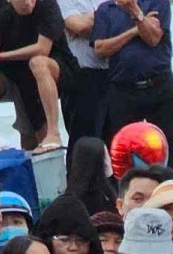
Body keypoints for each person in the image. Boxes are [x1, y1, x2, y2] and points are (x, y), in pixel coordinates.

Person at [0, 0, 69, 153]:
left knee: (38, 63)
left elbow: (42, 49)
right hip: (16, 78)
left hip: (54, 69)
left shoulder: (47, 5)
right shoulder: (3, 15)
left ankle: (53, 132)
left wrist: (1, 56)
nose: (28, 3)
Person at [95, 0, 173, 177]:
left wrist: (135, 10)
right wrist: (135, 30)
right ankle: (127, 198)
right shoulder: (106, 8)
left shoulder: (158, 3)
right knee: (123, 152)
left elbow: (153, 38)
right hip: (123, 90)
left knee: (171, 151)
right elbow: (101, 48)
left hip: (159, 85)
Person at [57, 0, 111, 148]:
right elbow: (81, 26)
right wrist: (111, 15)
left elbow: (123, 21)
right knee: (84, 145)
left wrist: (96, 20)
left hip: (114, 74)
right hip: (82, 76)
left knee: (114, 143)